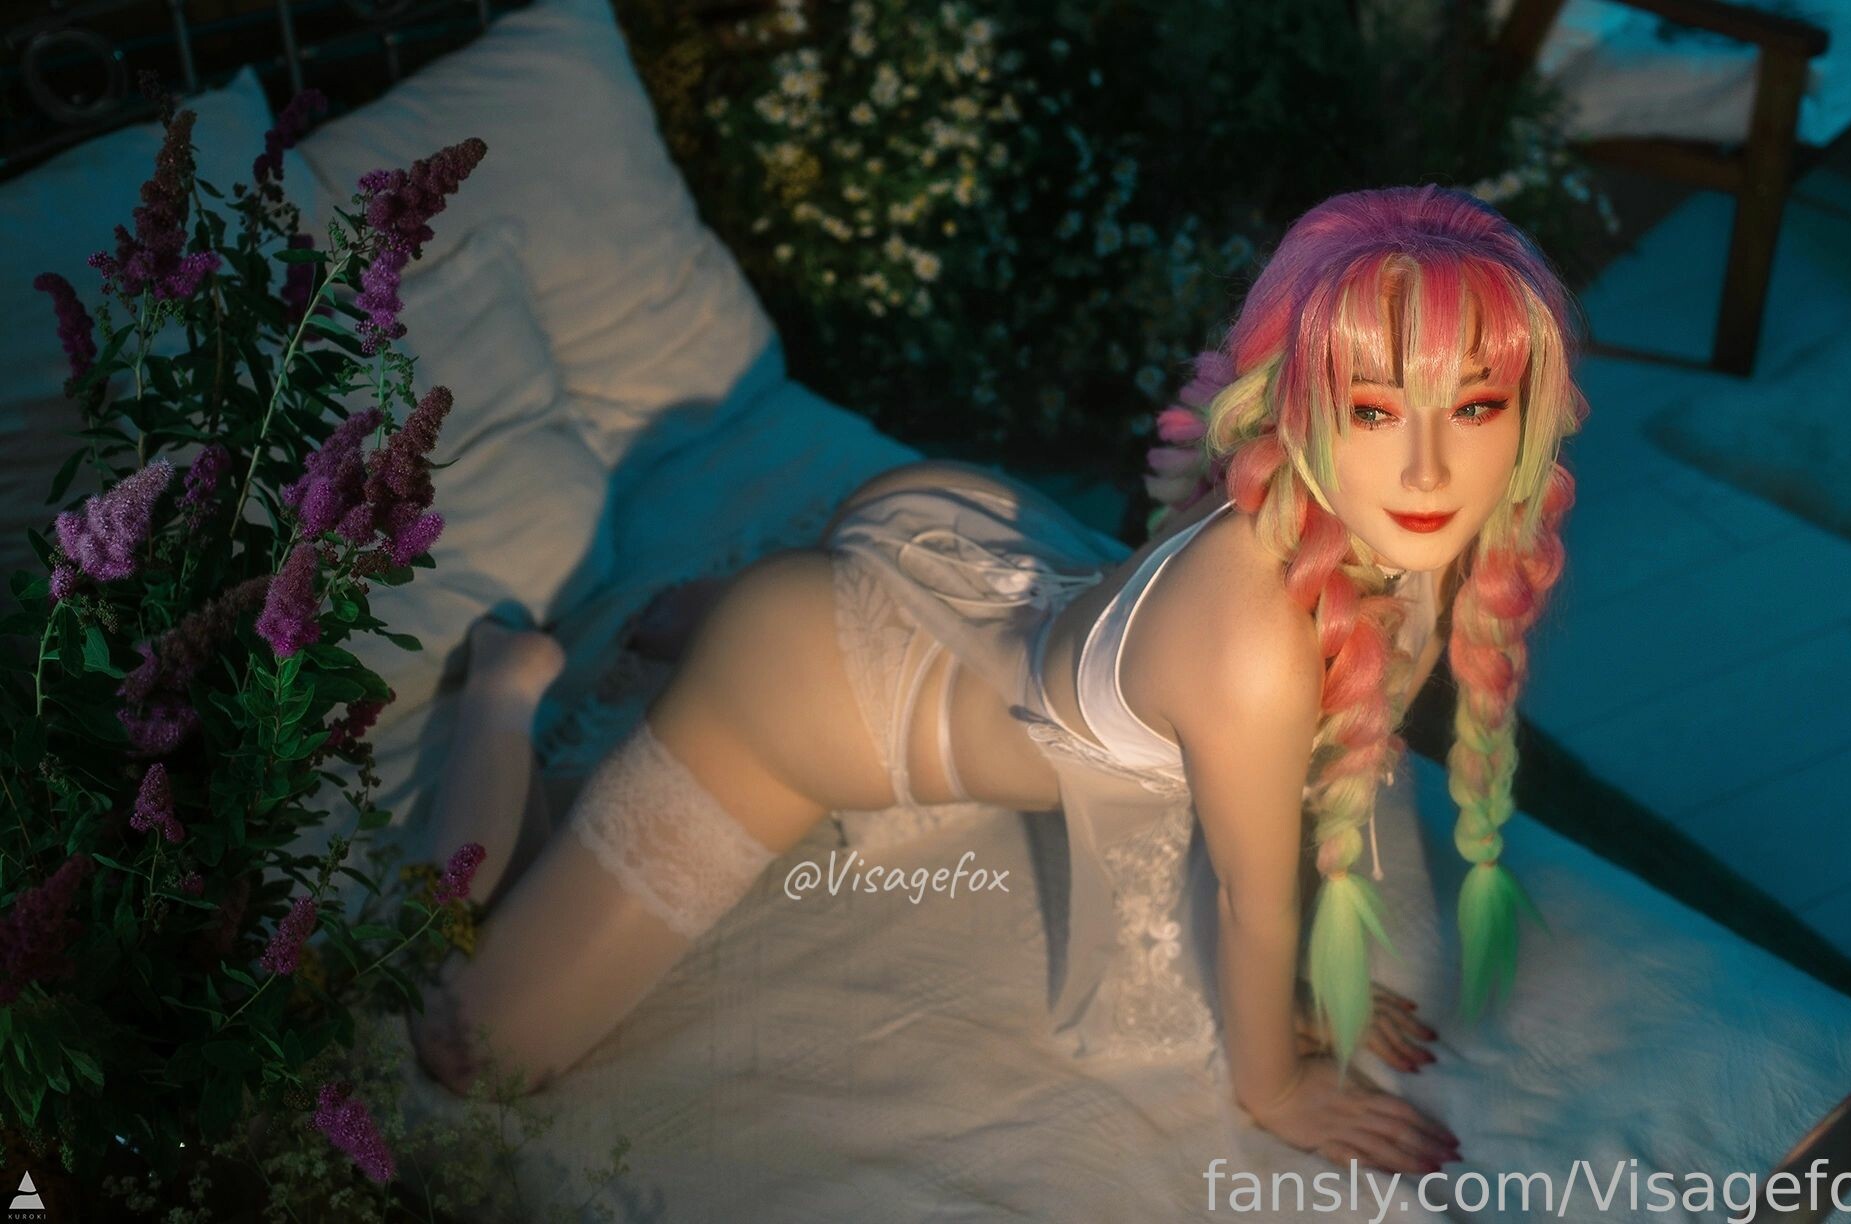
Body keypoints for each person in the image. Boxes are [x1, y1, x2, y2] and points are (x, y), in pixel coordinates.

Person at [408, 183, 1588, 1175]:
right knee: (472, 1047)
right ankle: (510, 682)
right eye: (1373, 410)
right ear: (1304, 407)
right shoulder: (1255, 644)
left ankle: (714, 609)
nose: (1428, 467)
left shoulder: (1395, 542)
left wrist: (1312, 982)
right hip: (811, 691)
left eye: (1475, 406)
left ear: (1530, 412)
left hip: (975, 557)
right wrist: (1276, 1086)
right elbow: (1251, 894)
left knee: (853, 608)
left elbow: (1302, 777)